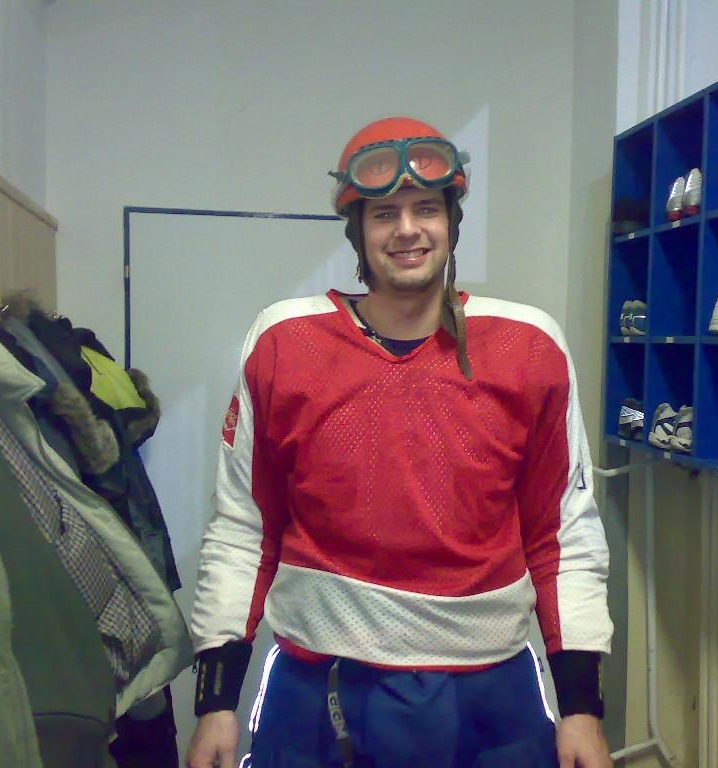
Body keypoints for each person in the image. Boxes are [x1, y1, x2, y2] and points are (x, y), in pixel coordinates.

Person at [186, 116, 614, 768]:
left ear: (451, 222)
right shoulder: (283, 342)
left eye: (426, 210)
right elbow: (245, 527)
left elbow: (563, 535)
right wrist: (216, 700)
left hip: (490, 693)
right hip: (320, 688)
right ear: (357, 231)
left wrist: (582, 708)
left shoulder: (529, 346)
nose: (407, 229)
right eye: (384, 213)